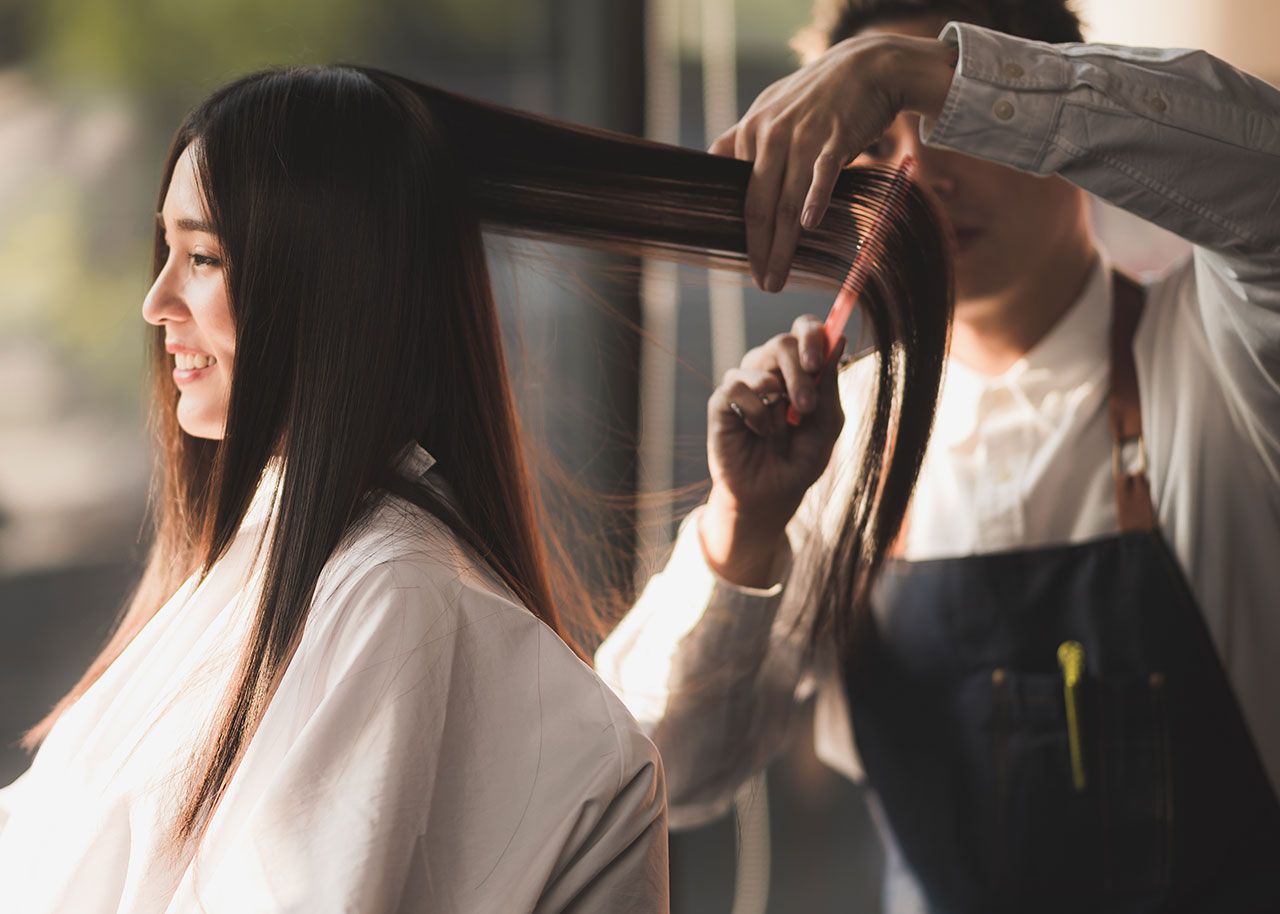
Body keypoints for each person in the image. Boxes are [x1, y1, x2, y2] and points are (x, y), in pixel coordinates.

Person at [598, 0, 1280, 909]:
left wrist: (906, 73)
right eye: (874, 143)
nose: (916, 174)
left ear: (1047, 123)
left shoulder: (1220, 361)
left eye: (947, 119)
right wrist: (743, 527)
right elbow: (664, 773)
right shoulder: (836, 442)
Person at [0, 65, 678, 914]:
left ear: (328, 284)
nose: (155, 301)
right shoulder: (273, 562)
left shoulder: (391, 599)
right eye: (165, 249)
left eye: (203, 256)